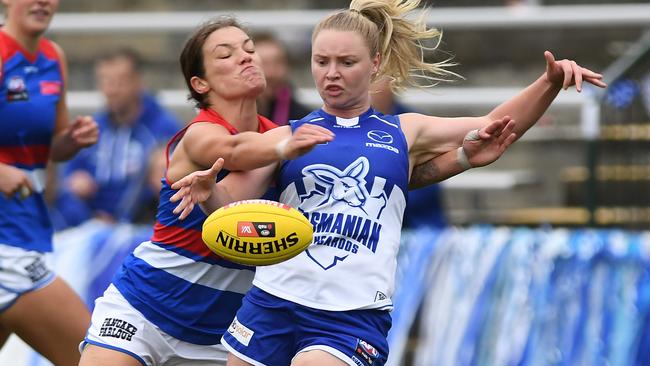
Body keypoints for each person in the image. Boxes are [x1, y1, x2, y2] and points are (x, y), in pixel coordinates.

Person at [169, 1, 606, 365]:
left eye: (346, 62)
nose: (331, 73)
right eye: (321, 62)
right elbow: (232, 219)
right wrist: (209, 196)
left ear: (375, 63)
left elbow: (496, 125)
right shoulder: (287, 136)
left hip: (349, 315)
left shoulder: (405, 131)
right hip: (271, 302)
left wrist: (548, 83)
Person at [78, 16, 513, 366]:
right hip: (148, 305)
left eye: (249, 49)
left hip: (221, 329)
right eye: (226, 55)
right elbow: (236, 150)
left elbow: (388, 177)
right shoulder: (210, 135)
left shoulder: (290, 138)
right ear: (200, 84)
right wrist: (286, 145)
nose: (246, 57)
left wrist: (456, 161)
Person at [0, 0, 99, 365]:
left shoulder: (53, 56)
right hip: (7, 244)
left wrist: (71, 140)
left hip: (29, 225)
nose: (43, 1)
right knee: (95, 357)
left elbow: (54, 147)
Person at [52, 47, 182, 228]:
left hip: (143, 227)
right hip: (90, 227)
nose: (112, 90)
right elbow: (66, 181)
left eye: (120, 81)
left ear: (139, 82)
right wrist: (75, 185)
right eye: (105, 81)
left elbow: (173, 192)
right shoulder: (92, 128)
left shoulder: (164, 128)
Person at [371, 76, 447, 229]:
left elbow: (426, 191)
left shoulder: (414, 124)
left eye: (376, 78)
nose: (370, 90)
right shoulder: (338, 128)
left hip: (417, 227)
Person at [254, 32, 311, 125]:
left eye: (278, 63)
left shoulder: (303, 120)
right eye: (263, 63)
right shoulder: (234, 119)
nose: (271, 73)